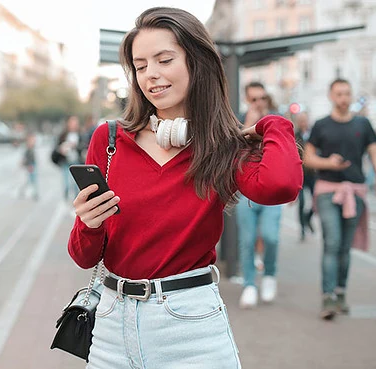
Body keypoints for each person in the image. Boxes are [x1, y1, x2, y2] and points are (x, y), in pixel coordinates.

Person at [66, 7, 302, 368]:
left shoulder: (224, 147)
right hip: (112, 328)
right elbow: (84, 256)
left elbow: (281, 187)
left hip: (191, 329)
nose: (152, 75)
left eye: (164, 60)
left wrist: (274, 125)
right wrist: (89, 222)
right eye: (141, 65)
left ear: (197, 62)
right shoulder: (110, 140)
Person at [304, 78, 376, 320]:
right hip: (327, 190)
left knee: (345, 247)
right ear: (331, 96)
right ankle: (328, 297)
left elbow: (375, 152)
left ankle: (340, 292)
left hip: (356, 191)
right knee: (332, 241)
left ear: (351, 96)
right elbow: (307, 158)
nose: (343, 98)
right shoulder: (321, 125)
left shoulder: (363, 124)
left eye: (347, 93)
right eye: (339, 94)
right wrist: (328, 162)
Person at [236, 82, 285, 309]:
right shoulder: (238, 120)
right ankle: (249, 284)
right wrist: (249, 124)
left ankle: (269, 275)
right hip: (246, 191)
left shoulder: (275, 120)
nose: (259, 103)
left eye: (262, 98)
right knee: (247, 240)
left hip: (271, 190)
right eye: (254, 99)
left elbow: (284, 152)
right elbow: (234, 150)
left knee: (271, 236)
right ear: (247, 100)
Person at [294, 111, 317, 240]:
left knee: (316, 201)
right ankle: (302, 228)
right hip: (301, 175)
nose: (303, 122)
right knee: (301, 202)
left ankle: (308, 218)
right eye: (301, 120)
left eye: (305, 120)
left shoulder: (313, 135)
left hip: (313, 174)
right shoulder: (295, 136)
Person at [54, 115, 82, 201]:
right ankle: (66, 200)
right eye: (71, 122)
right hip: (65, 162)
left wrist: (75, 147)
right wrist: (61, 149)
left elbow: (84, 146)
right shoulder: (63, 135)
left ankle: (76, 202)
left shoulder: (80, 134)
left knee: (76, 185)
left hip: (77, 162)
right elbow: (57, 147)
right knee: (66, 184)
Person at [18, 131, 38, 200]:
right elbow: (26, 158)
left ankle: (35, 193)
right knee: (27, 180)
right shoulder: (28, 149)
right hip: (30, 166)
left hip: (32, 165)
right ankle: (24, 191)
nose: (34, 141)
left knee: (33, 180)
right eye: (32, 140)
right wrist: (28, 165)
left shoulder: (32, 148)